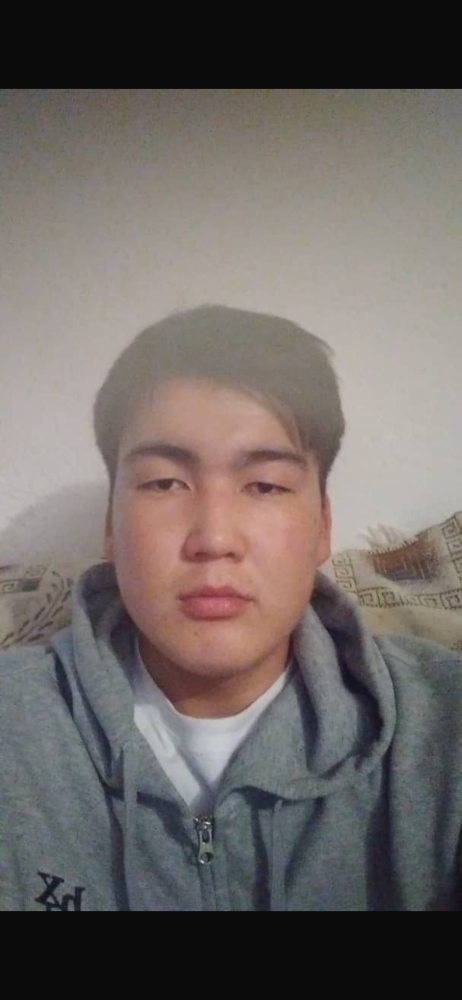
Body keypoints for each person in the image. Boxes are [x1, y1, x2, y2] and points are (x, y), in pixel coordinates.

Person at [1, 305, 461, 911]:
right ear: (110, 526)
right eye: (165, 483)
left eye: (265, 485)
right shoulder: (16, 732)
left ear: (322, 527)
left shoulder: (440, 725)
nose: (214, 538)